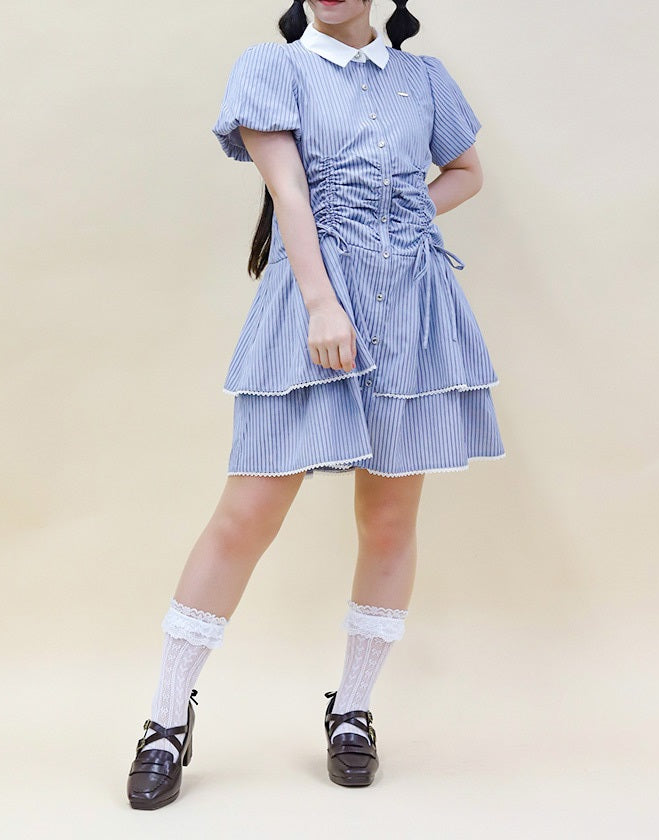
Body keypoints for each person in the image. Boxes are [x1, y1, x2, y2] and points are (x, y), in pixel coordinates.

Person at [126, 0, 505, 809]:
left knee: (391, 520)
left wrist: (403, 215)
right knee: (244, 518)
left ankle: (354, 709)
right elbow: (290, 195)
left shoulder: (424, 79)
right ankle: (165, 720)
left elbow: (468, 171)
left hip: (411, 308)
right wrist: (321, 302)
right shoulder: (275, 67)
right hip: (311, 309)